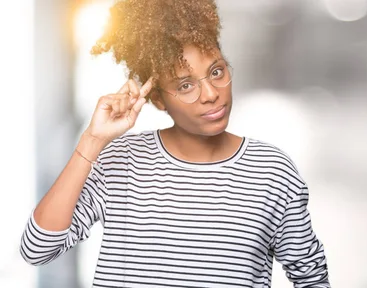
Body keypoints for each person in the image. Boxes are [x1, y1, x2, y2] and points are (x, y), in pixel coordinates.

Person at [19, 0, 330, 287]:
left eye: (216, 72)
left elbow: (312, 277)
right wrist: (92, 140)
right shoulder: (121, 162)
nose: (210, 94)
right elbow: (37, 249)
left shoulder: (272, 171)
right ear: (157, 99)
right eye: (185, 85)